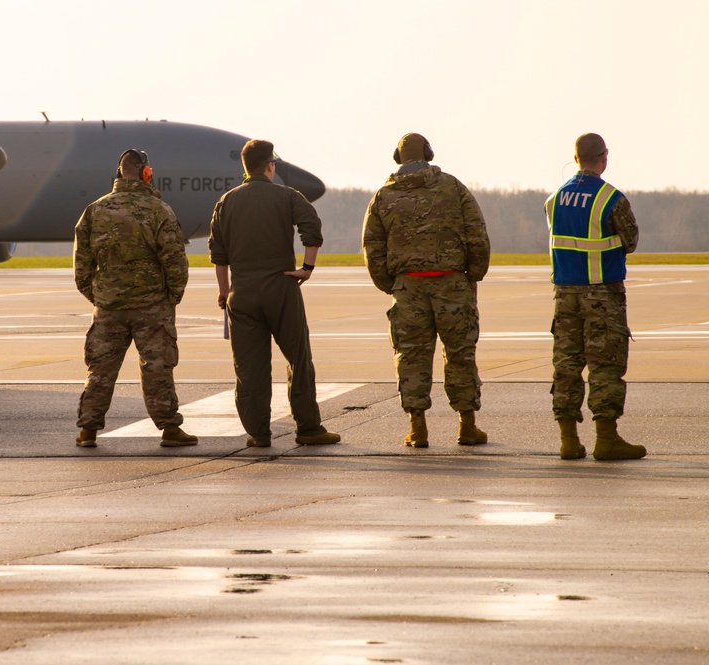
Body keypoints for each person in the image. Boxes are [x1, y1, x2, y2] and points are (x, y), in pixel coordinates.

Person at [208, 139, 341, 448]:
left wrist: (225, 291)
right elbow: (312, 229)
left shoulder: (226, 201)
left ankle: (258, 433)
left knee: (250, 367)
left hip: (242, 293)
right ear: (269, 165)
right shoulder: (287, 196)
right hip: (281, 287)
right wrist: (306, 268)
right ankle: (308, 428)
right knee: (298, 358)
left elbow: (218, 254)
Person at [362, 133, 491, 448]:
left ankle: (418, 428)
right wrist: (473, 274)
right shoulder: (452, 187)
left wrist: (392, 284)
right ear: (429, 154)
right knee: (460, 354)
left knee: (411, 357)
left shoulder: (384, 196)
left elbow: (372, 247)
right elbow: (477, 233)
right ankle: (467, 425)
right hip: (452, 285)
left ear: (399, 157)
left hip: (409, 288)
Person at [73, 149, 197, 448]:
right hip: (151, 306)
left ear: (118, 174)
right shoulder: (158, 210)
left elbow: (82, 266)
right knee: (157, 368)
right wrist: (170, 298)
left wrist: (100, 295)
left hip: (108, 307)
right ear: (146, 173)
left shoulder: (95, 210)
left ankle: (88, 430)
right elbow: (175, 261)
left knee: (100, 370)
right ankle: (169, 428)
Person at [545, 133, 646, 461]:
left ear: (575, 159)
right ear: (604, 157)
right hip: (602, 295)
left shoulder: (554, 199)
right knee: (605, 365)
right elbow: (630, 241)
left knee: (566, 366)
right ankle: (606, 438)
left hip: (564, 296)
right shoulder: (610, 198)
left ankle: (568, 440)